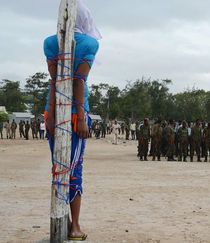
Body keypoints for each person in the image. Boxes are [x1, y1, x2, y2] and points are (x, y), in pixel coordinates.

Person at [43, 0, 101, 240]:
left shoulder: (49, 43)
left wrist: (51, 113)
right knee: (75, 168)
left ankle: (63, 221)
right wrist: (80, 116)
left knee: (58, 167)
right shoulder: (90, 43)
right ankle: (74, 226)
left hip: (53, 111)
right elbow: (79, 81)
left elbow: (55, 82)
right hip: (76, 112)